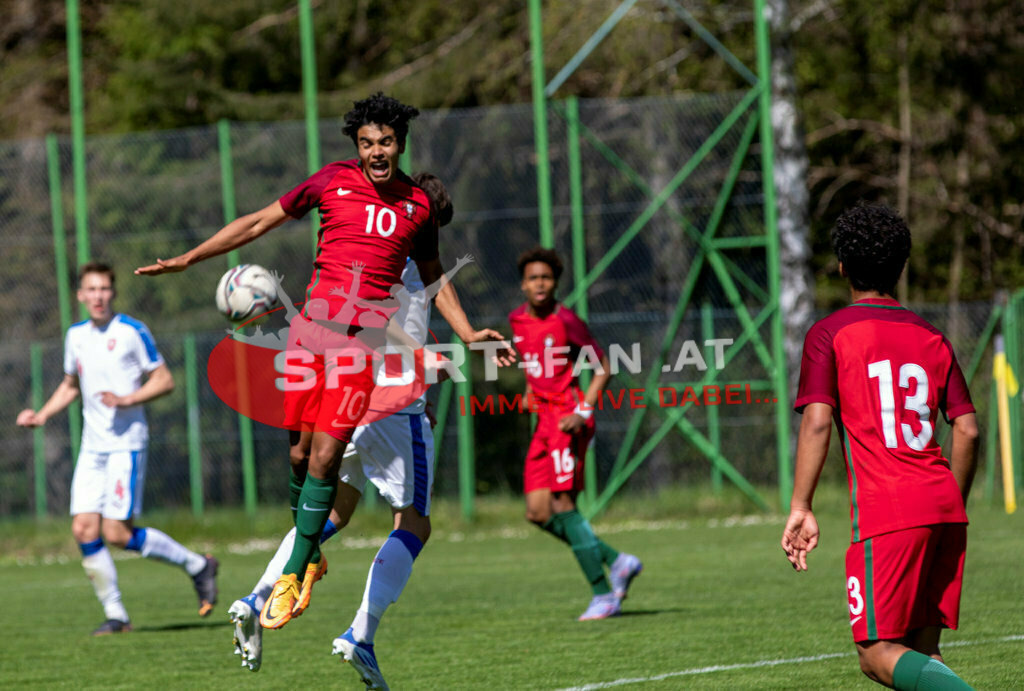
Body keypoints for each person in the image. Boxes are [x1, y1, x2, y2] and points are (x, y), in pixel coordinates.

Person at [136, 93, 514, 634]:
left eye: (385, 142)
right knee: (297, 454)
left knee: (326, 460)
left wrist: (469, 331)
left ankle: (293, 571)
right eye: (367, 143)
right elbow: (257, 222)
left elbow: (433, 279)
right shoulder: (331, 181)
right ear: (356, 147)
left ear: (400, 144)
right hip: (307, 337)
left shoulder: (419, 207)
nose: (376, 151)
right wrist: (190, 259)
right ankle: (309, 553)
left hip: (358, 349)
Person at [227, 172, 453, 691]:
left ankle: (256, 598)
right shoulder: (419, 266)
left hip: (346, 401)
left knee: (334, 510)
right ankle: (361, 635)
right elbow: (402, 335)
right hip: (394, 407)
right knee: (415, 524)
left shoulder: (364, 254)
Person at [781, 203, 979, 690]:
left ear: (842, 266)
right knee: (922, 653)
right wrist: (950, 499)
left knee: (875, 654)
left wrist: (801, 504)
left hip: (889, 511)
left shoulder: (830, 334)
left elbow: (818, 423)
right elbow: (968, 429)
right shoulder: (931, 335)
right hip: (943, 502)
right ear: (902, 265)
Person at [16, 262, 218, 635]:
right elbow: (71, 384)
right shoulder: (75, 336)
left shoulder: (131, 331)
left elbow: (164, 380)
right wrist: (42, 415)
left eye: (104, 289)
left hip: (127, 444)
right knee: (83, 528)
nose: (98, 296)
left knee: (117, 533)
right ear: (80, 295)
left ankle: (197, 565)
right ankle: (118, 616)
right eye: (90, 290)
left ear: (113, 294)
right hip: (93, 447)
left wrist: (127, 398)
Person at [508, 247, 642, 621]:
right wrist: (530, 391)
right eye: (534, 278)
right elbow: (536, 364)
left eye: (546, 278)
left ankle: (603, 595)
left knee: (564, 506)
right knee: (537, 513)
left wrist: (583, 411)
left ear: (555, 284)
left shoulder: (566, 320)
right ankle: (617, 561)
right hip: (543, 422)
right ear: (523, 284)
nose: (540, 284)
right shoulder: (516, 320)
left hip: (568, 418)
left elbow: (604, 366)